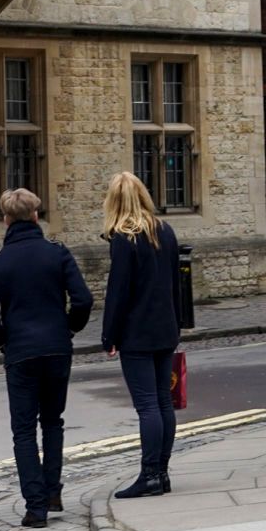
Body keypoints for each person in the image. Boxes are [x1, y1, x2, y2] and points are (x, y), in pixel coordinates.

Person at [0, 187, 93, 528]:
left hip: (21, 352)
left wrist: (2, 343)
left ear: (6, 220)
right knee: (53, 421)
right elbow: (83, 300)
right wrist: (69, 329)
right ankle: (53, 490)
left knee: (24, 432)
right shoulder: (57, 253)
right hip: (57, 348)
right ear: (36, 217)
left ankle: (36, 507)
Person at [100, 170, 183, 499]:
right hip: (165, 327)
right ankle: (161, 473)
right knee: (163, 402)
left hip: (137, 332)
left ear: (114, 201)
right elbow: (176, 283)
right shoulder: (166, 231)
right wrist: (177, 322)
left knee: (147, 405)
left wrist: (110, 336)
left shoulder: (124, 238)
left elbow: (118, 292)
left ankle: (149, 474)